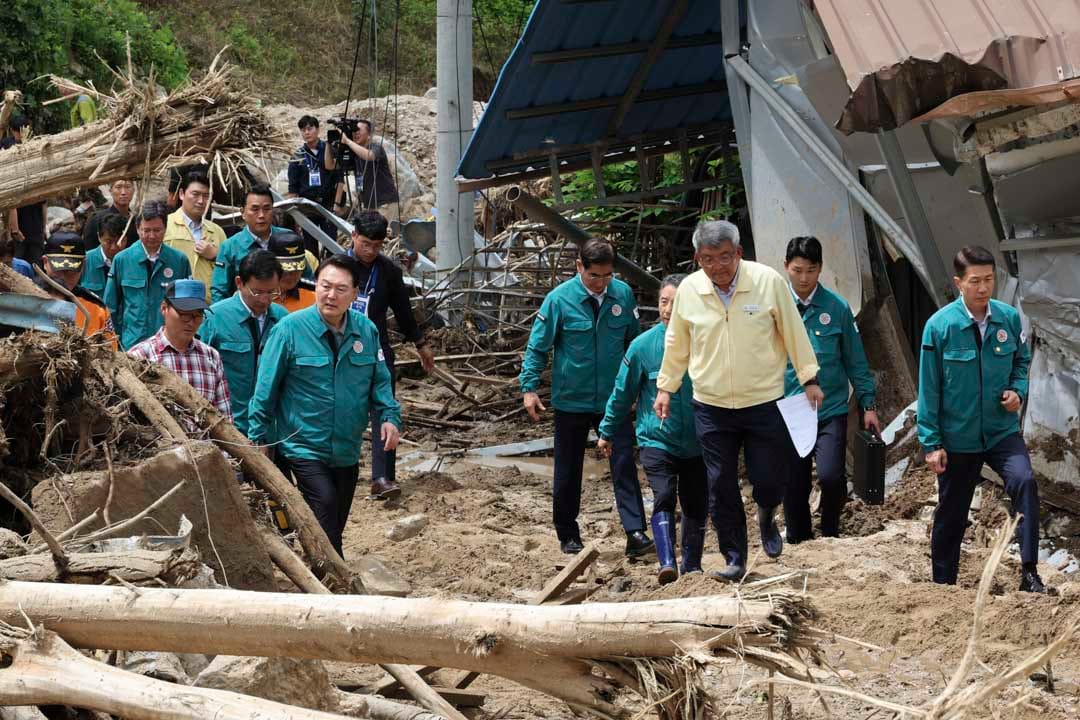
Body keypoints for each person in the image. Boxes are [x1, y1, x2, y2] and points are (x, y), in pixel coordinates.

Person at [656, 220, 821, 580]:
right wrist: (666, 387)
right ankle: (734, 557)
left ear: (739, 253)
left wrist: (809, 378)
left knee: (767, 478)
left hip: (763, 400)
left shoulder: (767, 282)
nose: (717, 266)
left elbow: (793, 331)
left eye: (724, 257)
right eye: (708, 259)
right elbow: (677, 342)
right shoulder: (690, 290)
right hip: (711, 404)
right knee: (720, 484)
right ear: (697, 258)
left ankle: (767, 514)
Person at [248, 254, 402, 557]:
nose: (331, 295)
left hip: (346, 448)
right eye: (325, 286)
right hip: (302, 445)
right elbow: (265, 390)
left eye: (341, 289)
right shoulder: (289, 330)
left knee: (333, 522)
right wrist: (258, 439)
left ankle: (320, 565)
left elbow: (380, 382)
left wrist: (389, 417)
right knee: (326, 506)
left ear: (354, 294)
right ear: (316, 286)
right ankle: (332, 576)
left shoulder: (366, 331)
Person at [918, 246, 1045, 593]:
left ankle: (1030, 571)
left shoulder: (1009, 318)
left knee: (1025, 482)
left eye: (989, 279)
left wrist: (1017, 391)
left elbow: (1021, 361)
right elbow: (928, 388)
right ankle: (943, 583)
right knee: (952, 512)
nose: (983, 287)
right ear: (958, 282)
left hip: (1001, 431)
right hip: (958, 438)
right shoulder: (939, 327)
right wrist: (931, 443)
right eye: (975, 281)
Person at [520, 238, 652, 557]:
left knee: (623, 463)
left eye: (607, 276)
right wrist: (529, 388)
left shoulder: (622, 295)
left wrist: (638, 388)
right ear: (579, 266)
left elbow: (634, 345)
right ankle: (568, 534)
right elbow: (538, 347)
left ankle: (635, 532)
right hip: (571, 399)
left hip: (613, 400)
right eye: (594, 276)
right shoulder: (559, 300)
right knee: (568, 468)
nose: (601, 283)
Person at [597, 274, 706, 584]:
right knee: (664, 494)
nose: (668, 309)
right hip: (656, 438)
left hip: (698, 440)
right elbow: (622, 393)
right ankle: (667, 562)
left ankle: (693, 566)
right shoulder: (642, 347)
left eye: (676, 302)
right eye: (663, 301)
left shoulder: (705, 342)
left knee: (696, 501)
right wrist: (606, 431)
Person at [781, 236, 880, 542]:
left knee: (831, 476)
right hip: (790, 409)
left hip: (830, 408)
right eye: (797, 270)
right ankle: (798, 538)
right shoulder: (777, 308)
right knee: (794, 481)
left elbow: (856, 361)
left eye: (811, 270)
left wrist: (868, 405)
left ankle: (830, 532)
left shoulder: (837, 308)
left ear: (821, 268)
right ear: (786, 267)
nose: (804, 278)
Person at [347, 210, 433, 500]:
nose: (370, 251)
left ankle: (383, 477)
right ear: (353, 236)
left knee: (385, 408)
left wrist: (420, 343)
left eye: (377, 245)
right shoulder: (337, 267)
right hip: (340, 349)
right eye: (365, 244)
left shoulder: (388, 271)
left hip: (377, 349)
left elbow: (403, 311)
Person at [199, 250, 289, 438]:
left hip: (271, 430)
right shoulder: (214, 318)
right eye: (257, 292)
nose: (264, 299)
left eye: (272, 292)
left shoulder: (283, 320)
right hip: (227, 428)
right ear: (239, 283)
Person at [128, 279, 232, 419]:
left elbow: (224, 418)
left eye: (198, 314)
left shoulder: (211, 357)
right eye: (184, 314)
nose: (191, 322)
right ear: (164, 308)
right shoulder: (140, 357)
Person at [104, 201, 192, 350]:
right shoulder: (122, 260)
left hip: (169, 345)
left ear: (165, 228)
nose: (151, 236)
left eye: (157, 230)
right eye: (146, 230)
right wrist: (115, 342)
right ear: (137, 229)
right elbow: (110, 307)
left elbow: (188, 306)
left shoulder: (179, 261)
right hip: (132, 344)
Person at [211, 185, 314, 303]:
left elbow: (308, 279)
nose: (261, 215)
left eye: (266, 209)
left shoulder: (288, 238)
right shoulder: (230, 247)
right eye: (255, 209)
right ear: (243, 212)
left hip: (289, 306)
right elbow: (219, 291)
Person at [38, 231, 114, 344]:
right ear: (45, 262)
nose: (63, 277)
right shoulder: (28, 298)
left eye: (71, 271)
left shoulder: (96, 307)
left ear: (83, 265)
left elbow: (110, 349)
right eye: (59, 270)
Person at [164, 170, 225, 300]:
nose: (201, 201)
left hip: (209, 304)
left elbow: (228, 268)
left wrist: (216, 255)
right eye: (195, 194)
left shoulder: (217, 231)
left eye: (206, 196)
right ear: (181, 194)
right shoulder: (165, 226)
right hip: (173, 302)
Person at [288, 116, 338, 255]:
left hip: (328, 203)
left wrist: (337, 204)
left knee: (331, 243)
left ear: (318, 129)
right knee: (310, 246)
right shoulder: (298, 156)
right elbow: (293, 188)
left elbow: (339, 177)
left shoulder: (329, 149)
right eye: (303, 130)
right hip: (307, 205)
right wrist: (295, 215)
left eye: (310, 129)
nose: (307, 132)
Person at [2, 116, 48, 266]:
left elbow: (43, 202)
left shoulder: (34, 146)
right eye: (20, 131)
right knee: (19, 263)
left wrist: (44, 227)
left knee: (34, 263)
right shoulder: (7, 146)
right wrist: (14, 229)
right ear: (12, 131)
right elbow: (12, 202)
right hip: (20, 223)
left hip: (34, 222)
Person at [335, 119, 399, 213]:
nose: (356, 133)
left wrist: (347, 141)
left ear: (369, 134)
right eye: (354, 131)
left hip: (385, 203)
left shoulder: (376, 147)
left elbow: (369, 156)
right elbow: (334, 166)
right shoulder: (355, 154)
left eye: (359, 130)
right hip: (369, 205)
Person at [80, 212, 129, 297]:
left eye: (119, 241)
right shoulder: (84, 262)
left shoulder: (133, 262)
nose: (114, 247)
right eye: (109, 241)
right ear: (99, 237)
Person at [83, 179, 137, 251]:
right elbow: (89, 249)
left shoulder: (137, 220)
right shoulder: (97, 219)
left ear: (133, 190)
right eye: (118, 187)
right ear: (110, 191)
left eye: (127, 187)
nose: (123, 192)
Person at [271, 231, 317, 312]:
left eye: (297, 270)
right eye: (285, 271)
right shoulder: (257, 295)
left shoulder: (314, 296)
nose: (291, 275)